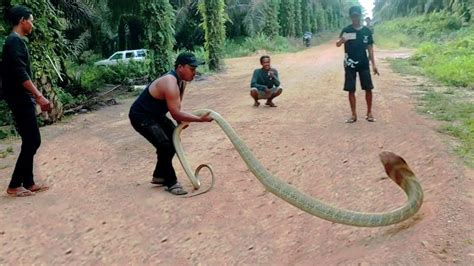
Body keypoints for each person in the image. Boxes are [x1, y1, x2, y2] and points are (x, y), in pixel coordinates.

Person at [129, 52, 213, 195]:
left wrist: (179, 123)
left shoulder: (182, 82)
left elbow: (176, 108)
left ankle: (159, 175)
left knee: (174, 140)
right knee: (166, 146)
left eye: (195, 69)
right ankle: (171, 182)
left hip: (156, 115)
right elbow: (175, 113)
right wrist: (199, 119)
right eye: (192, 69)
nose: (195, 72)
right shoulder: (170, 81)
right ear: (180, 67)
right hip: (141, 116)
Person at [2, 5, 51, 197]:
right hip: (19, 97)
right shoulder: (14, 42)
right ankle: (14, 184)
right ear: (22, 20)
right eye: (31, 20)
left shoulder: (16, 41)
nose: (32, 24)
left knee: (29, 139)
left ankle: (28, 182)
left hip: (20, 97)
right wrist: (39, 95)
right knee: (32, 140)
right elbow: (20, 73)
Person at [336, 6, 379, 123]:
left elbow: (370, 48)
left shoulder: (366, 31)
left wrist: (374, 64)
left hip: (364, 63)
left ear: (360, 16)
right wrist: (342, 40)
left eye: (357, 15)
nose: (355, 18)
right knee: (351, 89)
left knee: (368, 88)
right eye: (353, 16)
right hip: (350, 64)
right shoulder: (347, 30)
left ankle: (369, 112)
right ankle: (353, 114)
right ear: (351, 17)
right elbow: (337, 44)